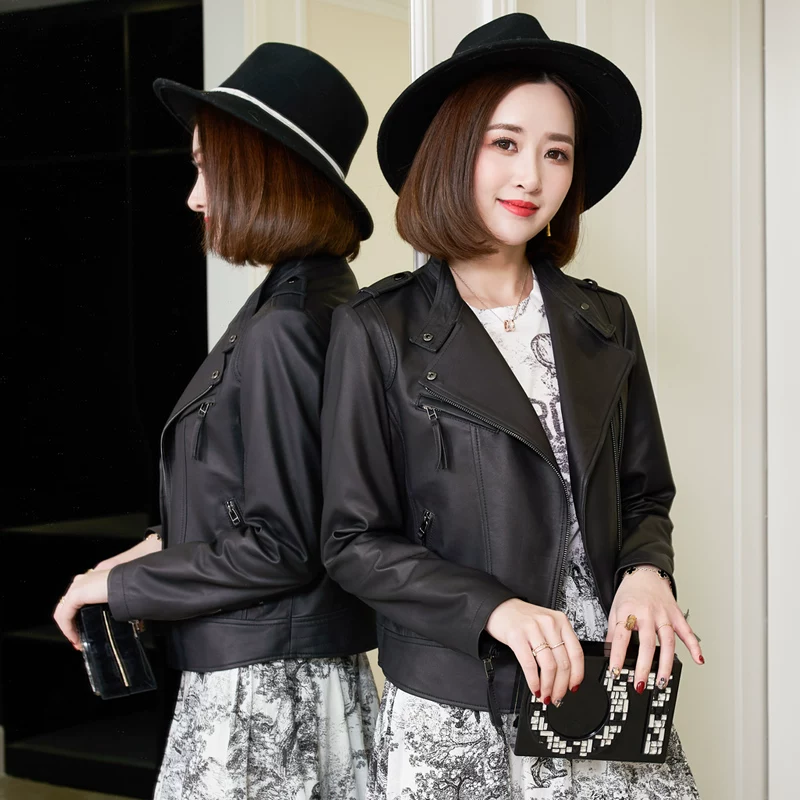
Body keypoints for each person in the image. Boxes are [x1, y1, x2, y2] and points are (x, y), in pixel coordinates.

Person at [320, 14, 703, 799]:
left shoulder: (604, 320)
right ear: (454, 151)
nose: (531, 175)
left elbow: (644, 495)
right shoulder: (377, 328)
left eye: (556, 152)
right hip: (458, 703)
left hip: (603, 688)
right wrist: (494, 608)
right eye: (505, 143)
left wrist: (645, 572)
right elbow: (353, 541)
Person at [54, 43, 378, 800]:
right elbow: (268, 501)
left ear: (263, 172)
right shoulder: (313, 302)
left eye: (207, 169)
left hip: (265, 694)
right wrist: (146, 550)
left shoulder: (286, 326)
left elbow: (283, 548)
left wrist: (122, 586)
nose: (195, 198)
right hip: (287, 677)